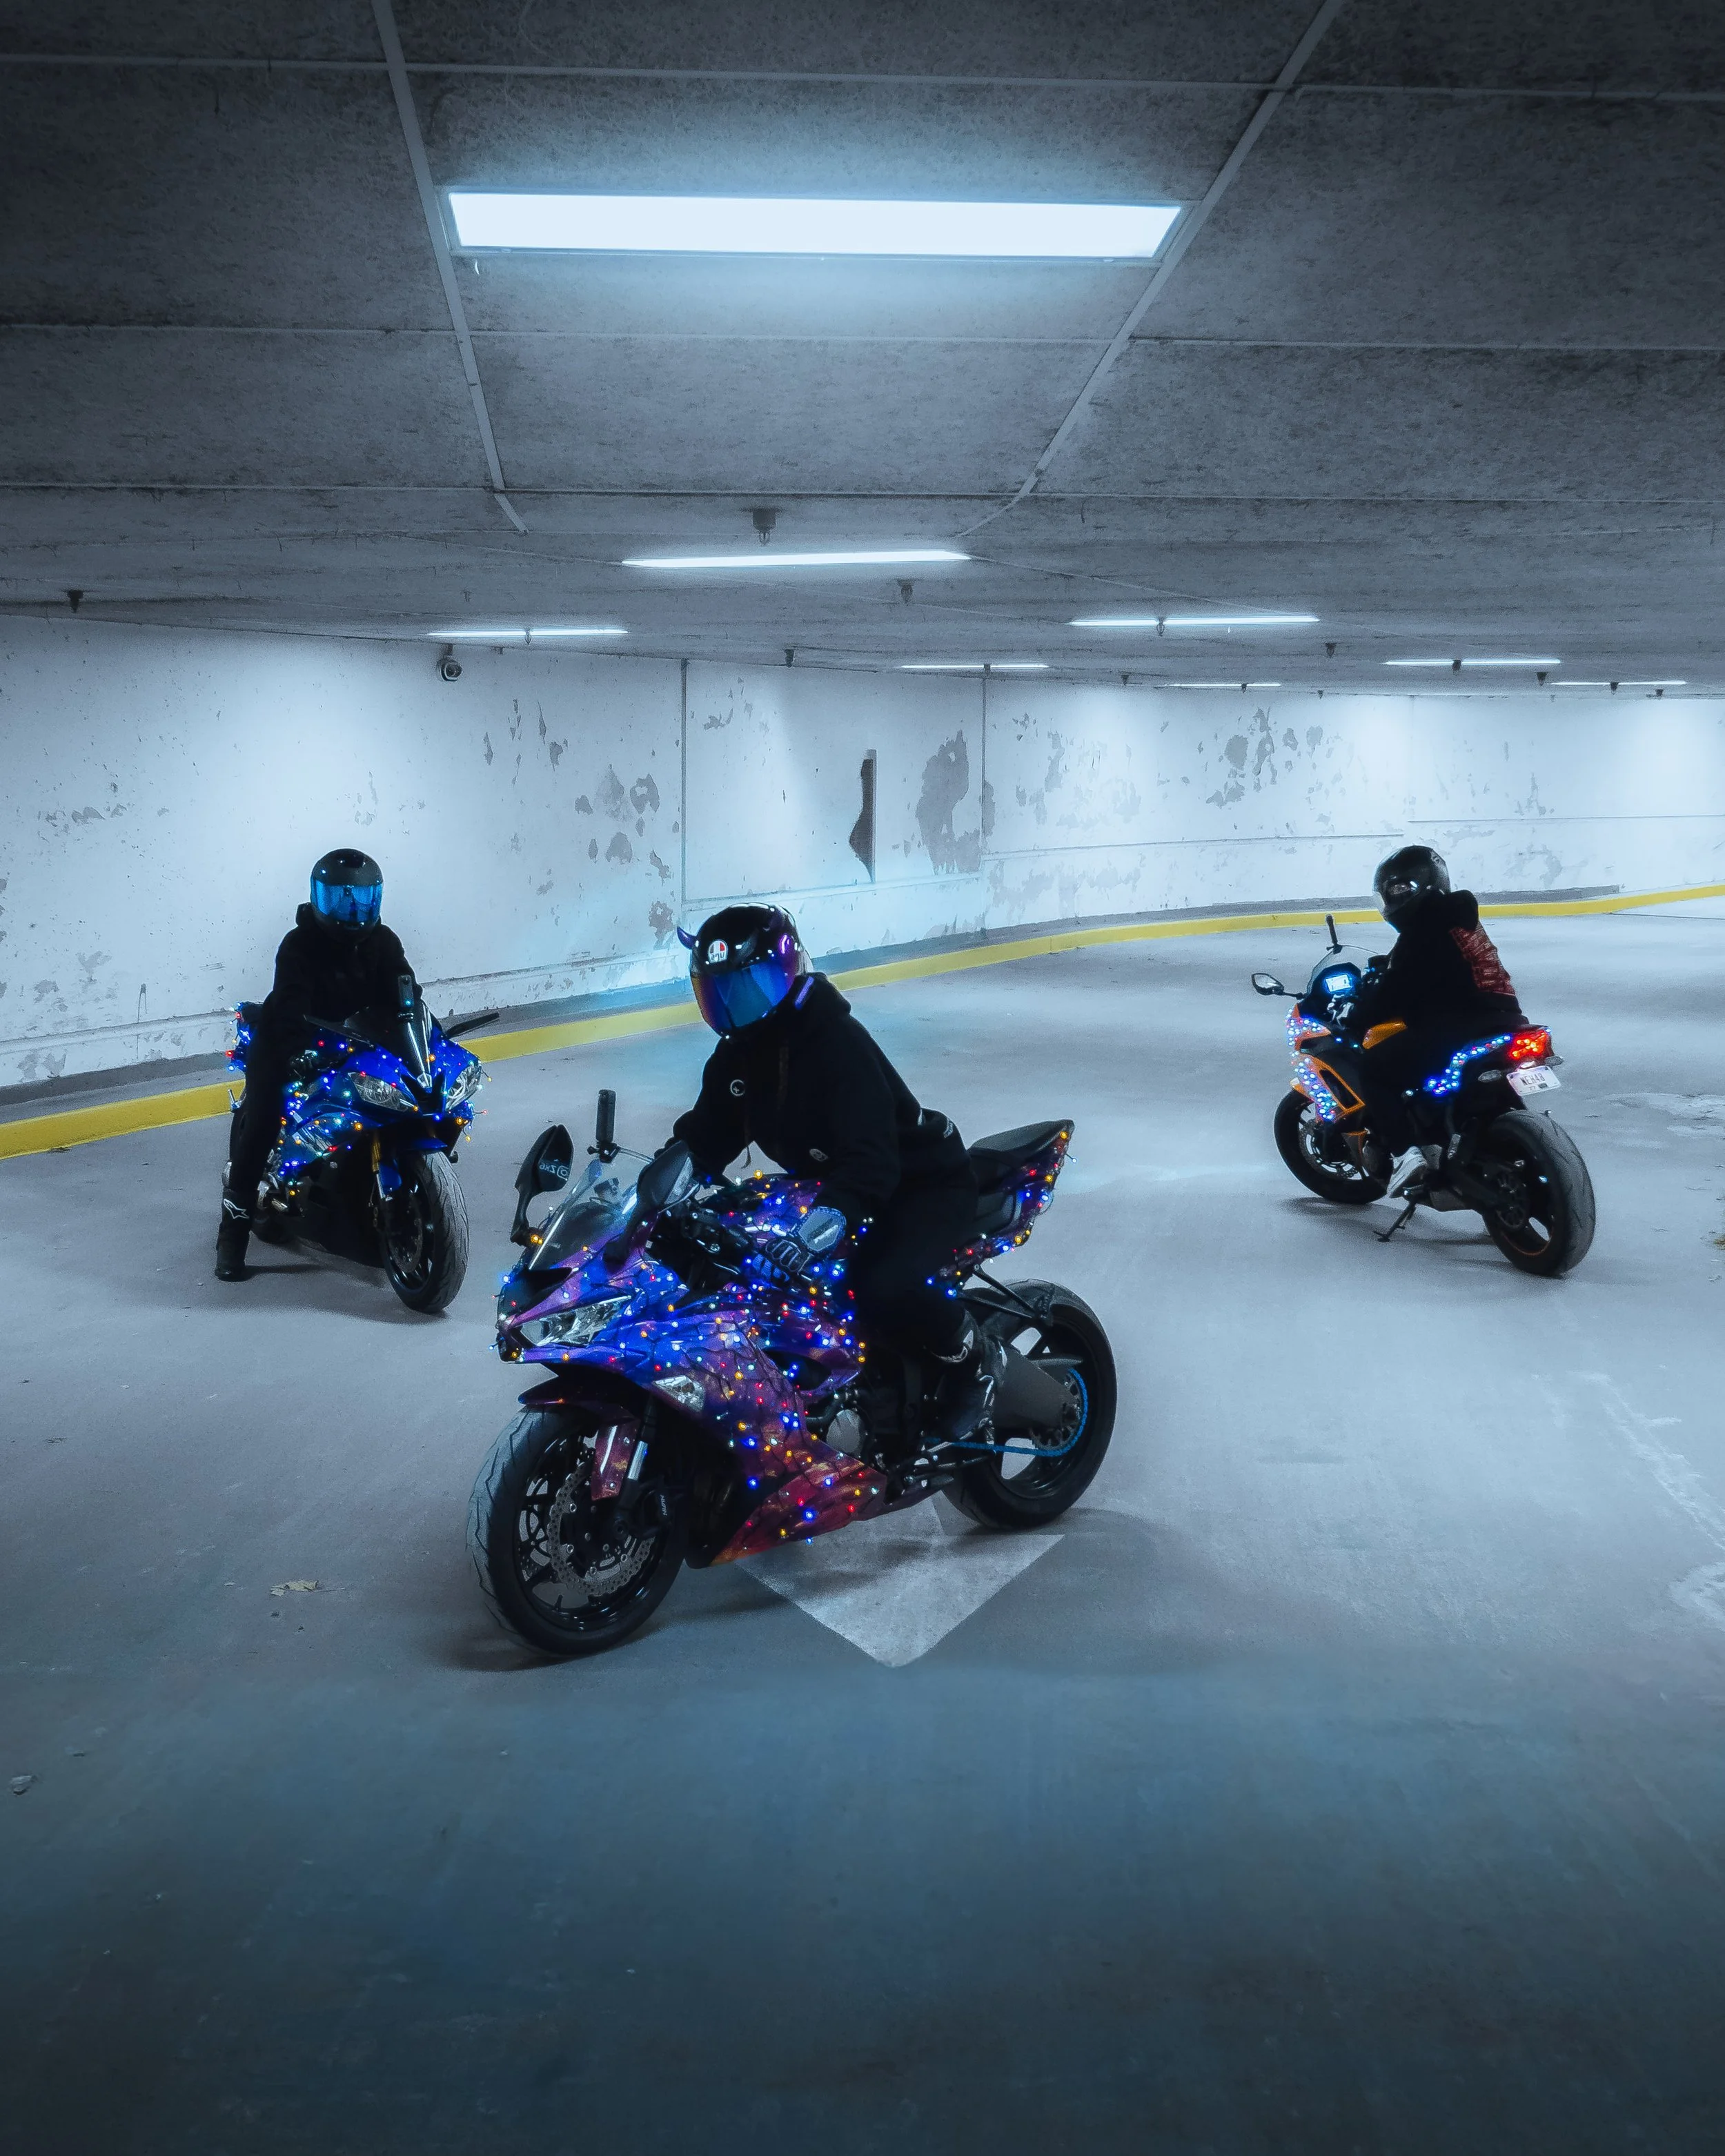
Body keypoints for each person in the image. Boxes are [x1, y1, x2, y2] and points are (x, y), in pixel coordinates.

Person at [667, 904, 995, 1456]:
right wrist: (649, 1194)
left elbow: (872, 1161)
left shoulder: (836, 1043)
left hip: (920, 1184)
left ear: (788, 970)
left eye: (747, 988)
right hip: (840, 1186)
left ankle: (975, 1364)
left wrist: (826, 1224)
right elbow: (705, 1138)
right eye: (720, 994)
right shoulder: (738, 1058)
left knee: (883, 1286)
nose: (734, 1007)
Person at [217, 849, 415, 1280]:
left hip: (354, 1040)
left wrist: (412, 1023)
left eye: (361, 898)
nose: (353, 909)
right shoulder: (299, 944)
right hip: (289, 1039)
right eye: (341, 899)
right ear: (319, 898)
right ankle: (233, 1228)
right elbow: (291, 1005)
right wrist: (302, 1048)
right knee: (266, 1119)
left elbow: (405, 994)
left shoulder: (384, 942)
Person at [1350, 845, 1526, 1167]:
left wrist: (1357, 1016)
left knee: (1374, 1069)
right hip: (1507, 1018)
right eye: (1392, 891)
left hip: (1457, 1026)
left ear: (1426, 885)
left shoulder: (1423, 929)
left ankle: (1407, 1155)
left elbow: (1395, 991)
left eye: (1402, 889)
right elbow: (1433, 966)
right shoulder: (1458, 916)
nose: (1395, 900)